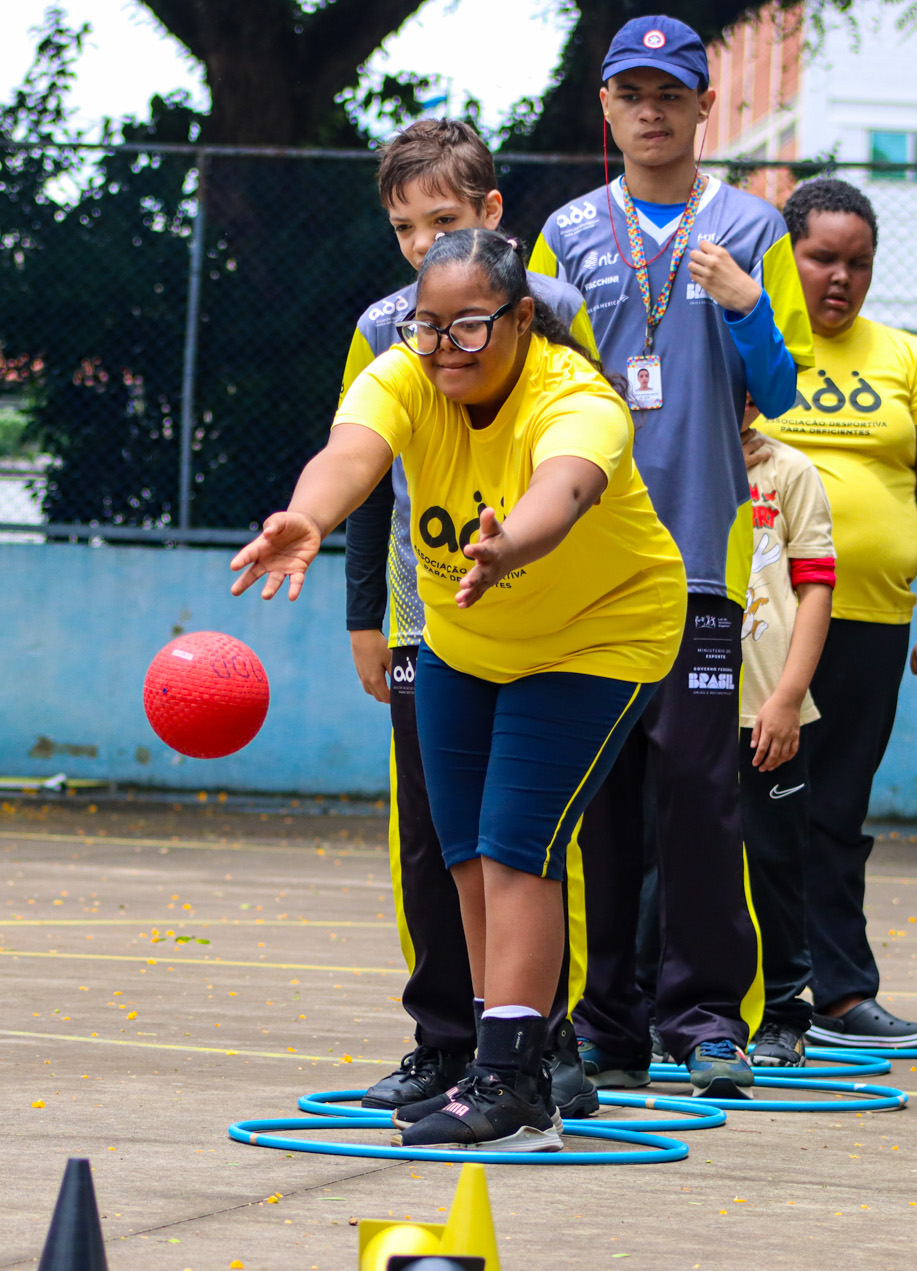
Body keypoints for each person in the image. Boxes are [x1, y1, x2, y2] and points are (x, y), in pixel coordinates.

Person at [232, 228, 684, 1151]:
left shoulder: (577, 396)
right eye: (429, 325)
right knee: (470, 854)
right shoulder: (405, 373)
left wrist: (514, 541)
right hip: (464, 641)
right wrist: (307, 516)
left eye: (471, 325)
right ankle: (503, 1059)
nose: (445, 347)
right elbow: (350, 454)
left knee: (518, 846)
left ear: (522, 317)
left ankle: (516, 1088)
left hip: (599, 636)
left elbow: (566, 485)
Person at [531, 14, 814, 1098]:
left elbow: (780, 392)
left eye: (669, 93)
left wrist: (745, 310)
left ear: (705, 106)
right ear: (605, 107)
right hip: (588, 561)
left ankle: (704, 1021)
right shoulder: (565, 233)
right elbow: (536, 385)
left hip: (700, 553)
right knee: (598, 802)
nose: (650, 112)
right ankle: (605, 1024)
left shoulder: (753, 227)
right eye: (631, 93)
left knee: (700, 796)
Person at [336, 119, 601, 1118]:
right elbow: (362, 471)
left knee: (526, 835)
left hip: (540, 613)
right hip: (426, 613)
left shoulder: (550, 312)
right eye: (403, 228)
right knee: (434, 838)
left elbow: (590, 451)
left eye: (441, 221)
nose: (420, 245)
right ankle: (443, 1040)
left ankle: (546, 1041)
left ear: (492, 213)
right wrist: (366, 615)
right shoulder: (380, 329)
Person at [755, 177, 917, 1049]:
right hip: (761, 626)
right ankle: (738, 995)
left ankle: (841, 995)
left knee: (836, 807)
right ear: (786, 257)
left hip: (872, 617)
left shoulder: (908, 361)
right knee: (753, 806)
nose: (841, 277)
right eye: (822, 258)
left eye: (859, 263)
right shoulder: (755, 343)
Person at [735, 404, 836, 1067]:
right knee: (665, 865)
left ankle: (782, 1015)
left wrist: (788, 698)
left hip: (765, 708)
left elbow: (815, 586)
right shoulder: (664, 461)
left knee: (772, 864)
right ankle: (667, 1009)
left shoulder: (790, 471)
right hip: (680, 707)